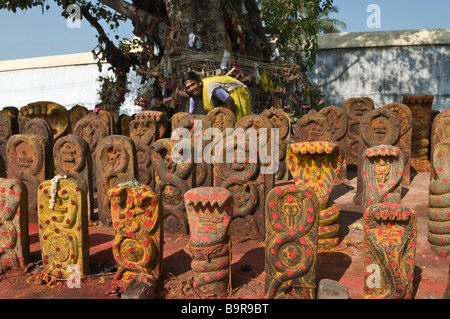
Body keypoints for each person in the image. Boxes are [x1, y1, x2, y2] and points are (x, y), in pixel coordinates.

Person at [182, 71, 252, 120]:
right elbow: (191, 114)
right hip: (228, 98)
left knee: (240, 120)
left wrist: (230, 121)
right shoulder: (194, 96)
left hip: (236, 92)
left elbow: (230, 101)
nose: (191, 89)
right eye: (188, 87)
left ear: (199, 81)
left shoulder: (211, 87)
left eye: (193, 84)